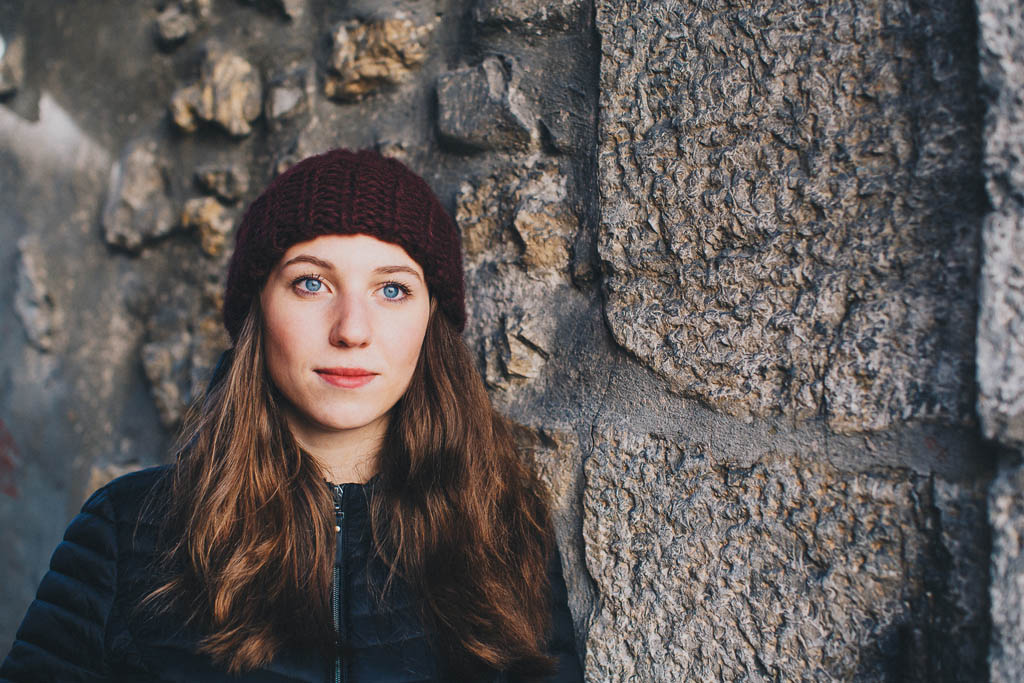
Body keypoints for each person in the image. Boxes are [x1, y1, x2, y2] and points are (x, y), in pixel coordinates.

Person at [0, 149, 582, 682]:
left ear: (433, 320)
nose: (351, 329)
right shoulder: (124, 532)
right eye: (310, 283)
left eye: (392, 290)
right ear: (258, 308)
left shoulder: (508, 532)